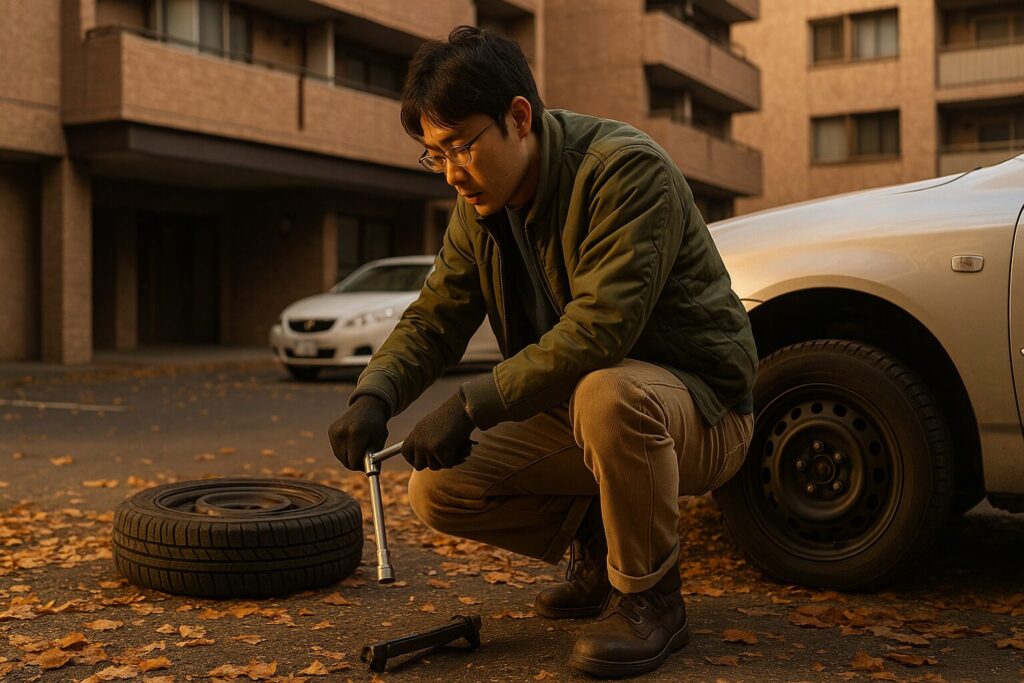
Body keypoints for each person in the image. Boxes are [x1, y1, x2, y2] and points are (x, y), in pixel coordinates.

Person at [328, 25, 757, 678]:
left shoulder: (622, 169)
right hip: (588, 410)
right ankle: (601, 546)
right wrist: (375, 392)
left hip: (704, 407)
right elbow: (436, 314)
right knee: (438, 488)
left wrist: (472, 405)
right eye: (433, 154)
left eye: (461, 146)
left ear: (518, 117)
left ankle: (651, 598)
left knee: (607, 391)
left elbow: (600, 329)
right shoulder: (478, 209)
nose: (451, 172)